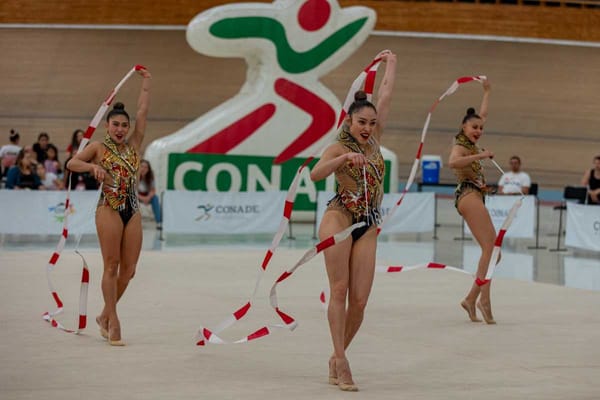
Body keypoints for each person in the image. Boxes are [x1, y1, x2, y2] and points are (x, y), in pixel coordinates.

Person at [310, 50, 396, 392]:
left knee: (359, 301)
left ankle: (336, 353)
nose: (368, 128)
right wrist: (344, 158)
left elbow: (386, 94)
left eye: (372, 123)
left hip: (369, 221)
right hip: (339, 216)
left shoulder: (375, 142)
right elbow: (316, 175)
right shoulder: (337, 145)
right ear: (350, 122)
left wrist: (392, 63)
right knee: (340, 290)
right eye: (362, 122)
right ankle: (342, 362)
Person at [66, 67, 151, 345]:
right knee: (111, 265)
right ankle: (114, 322)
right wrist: (92, 167)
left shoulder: (135, 145)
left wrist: (146, 84)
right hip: (109, 208)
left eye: (124, 126)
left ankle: (104, 315)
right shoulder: (98, 147)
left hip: (132, 208)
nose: (120, 129)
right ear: (107, 126)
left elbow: (141, 113)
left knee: (129, 270)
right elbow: (72, 163)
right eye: (115, 125)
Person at [448, 79, 497, 325]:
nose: (478, 130)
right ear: (463, 127)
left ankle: (476, 299)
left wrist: (487, 91)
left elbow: (484, 114)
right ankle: (479, 300)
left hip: (475, 194)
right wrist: (481, 155)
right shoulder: (460, 144)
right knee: (492, 248)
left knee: (492, 252)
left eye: (480, 128)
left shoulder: (472, 141)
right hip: (466, 195)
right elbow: (452, 163)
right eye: (474, 127)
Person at [137, 159, 162, 230]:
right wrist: (142, 198)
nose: (143, 169)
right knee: (132, 200)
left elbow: (153, 190)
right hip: (137, 195)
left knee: (155, 198)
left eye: (146, 167)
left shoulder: (150, 176)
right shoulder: (135, 176)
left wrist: (148, 197)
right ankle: (136, 221)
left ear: (148, 169)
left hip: (146, 195)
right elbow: (133, 191)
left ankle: (159, 222)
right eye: (142, 166)